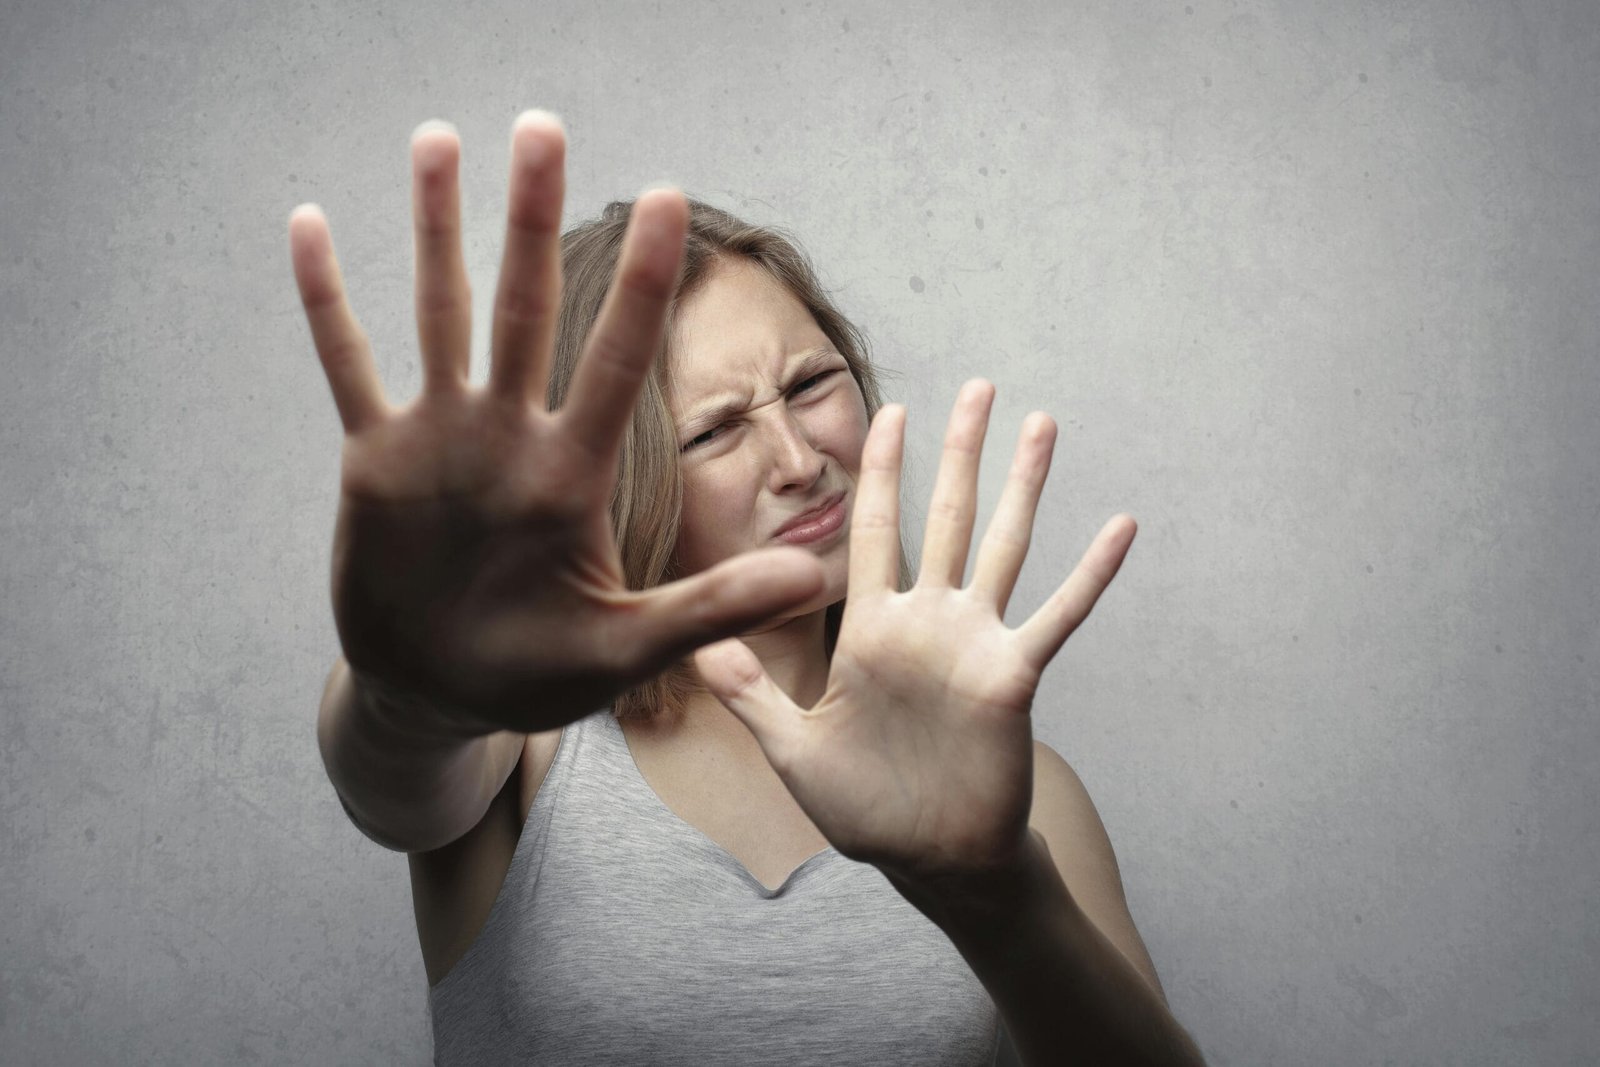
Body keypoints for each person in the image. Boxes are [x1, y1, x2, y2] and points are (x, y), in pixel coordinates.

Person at [290, 111, 1206, 1065]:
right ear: (615, 482)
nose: (801, 459)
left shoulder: (1022, 790)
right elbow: (391, 783)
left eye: (812, 382)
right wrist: (411, 688)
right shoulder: (527, 747)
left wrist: (995, 893)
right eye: (716, 430)